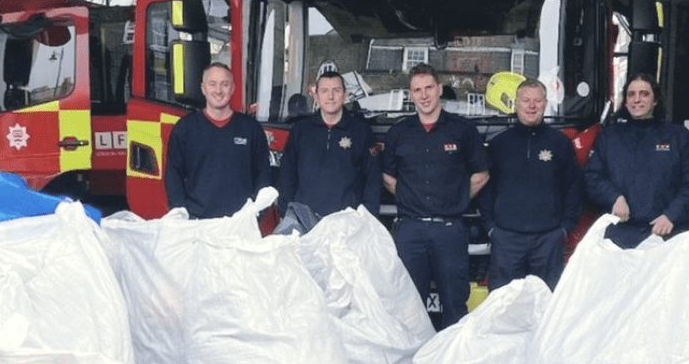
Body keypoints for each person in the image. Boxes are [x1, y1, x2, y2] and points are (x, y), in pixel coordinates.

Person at [381, 63, 490, 328]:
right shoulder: (398, 132)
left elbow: (482, 174)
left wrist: (456, 199)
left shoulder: (462, 130)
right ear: (411, 95)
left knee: (454, 304)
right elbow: (387, 176)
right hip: (410, 230)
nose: (424, 95)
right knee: (409, 306)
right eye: (417, 90)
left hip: (450, 230)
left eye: (429, 87)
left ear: (440, 89)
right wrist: (412, 198)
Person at [478, 78, 583, 290]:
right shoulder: (499, 145)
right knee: (502, 306)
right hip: (506, 241)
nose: (531, 106)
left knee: (545, 307)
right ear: (516, 104)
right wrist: (491, 228)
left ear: (545, 104)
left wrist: (564, 228)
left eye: (537, 100)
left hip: (548, 241)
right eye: (526, 100)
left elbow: (574, 187)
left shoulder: (560, 143)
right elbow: (486, 189)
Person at [585, 73, 689, 249]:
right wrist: (614, 198)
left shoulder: (678, 137)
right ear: (625, 101)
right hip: (619, 238)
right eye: (631, 94)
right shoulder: (610, 138)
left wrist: (672, 215)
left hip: (666, 236)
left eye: (644, 94)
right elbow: (592, 177)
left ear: (656, 100)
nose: (637, 100)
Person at [165, 62, 271, 218]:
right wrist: (183, 214)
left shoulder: (251, 129)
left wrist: (255, 213)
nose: (218, 91)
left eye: (225, 84)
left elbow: (263, 175)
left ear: (233, 88)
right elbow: (173, 176)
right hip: (198, 223)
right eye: (212, 84)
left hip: (240, 224)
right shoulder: (185, 129)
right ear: (203, 88)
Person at [278, 71, 381, 217]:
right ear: (316, 96)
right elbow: (287, 176)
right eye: (324, 91)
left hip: (347, 224)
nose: (330, 97)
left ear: (345, 95)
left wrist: (366, 217)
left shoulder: (362, 132)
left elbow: (373, 181)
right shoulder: (300, 131)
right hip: (305, 223)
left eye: (336, 90)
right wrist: (288, 212)